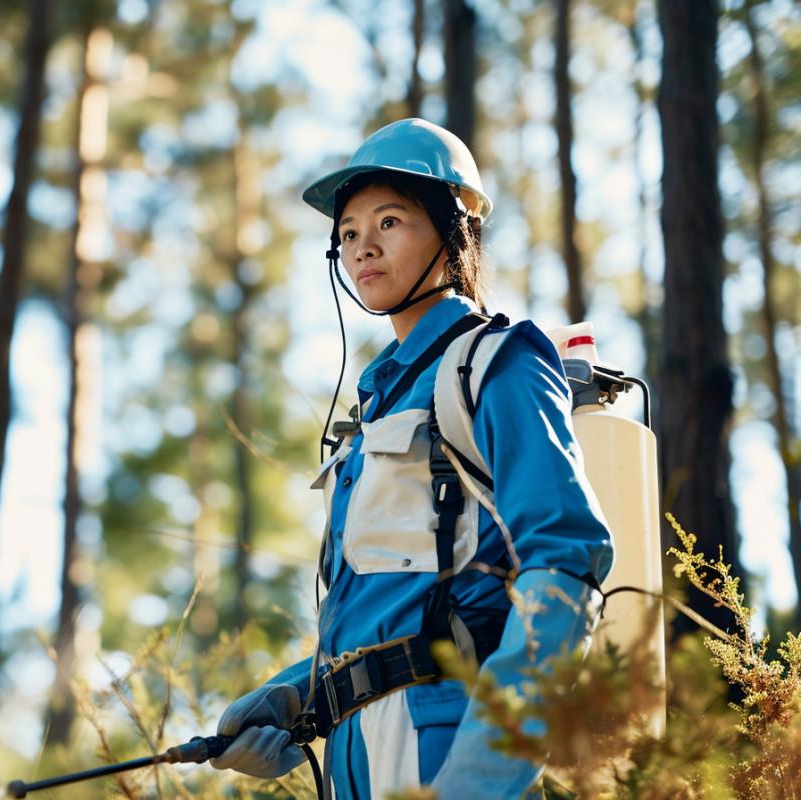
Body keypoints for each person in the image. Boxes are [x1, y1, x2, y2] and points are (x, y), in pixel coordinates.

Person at [209, 119, 614, 798]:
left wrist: (484, 776)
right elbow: (390, 612)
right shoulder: (373, 406)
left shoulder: (497, 364)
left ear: (455, 233)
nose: (362, 246)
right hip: (354, 755)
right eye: (347, 233)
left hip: (448, 740)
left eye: (390, 221)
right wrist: (294, 698)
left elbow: (565, 564)